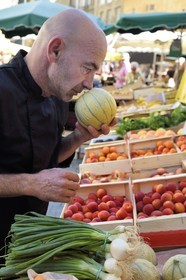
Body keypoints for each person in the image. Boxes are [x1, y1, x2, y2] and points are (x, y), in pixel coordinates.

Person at [0, 8, 117, 263]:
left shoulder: (59, 95)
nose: (89, 83)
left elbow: (45, 157)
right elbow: (34, 177)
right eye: (88, 68)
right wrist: (30, 184)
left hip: (31, 245)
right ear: (55, 50)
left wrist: (79, 137)